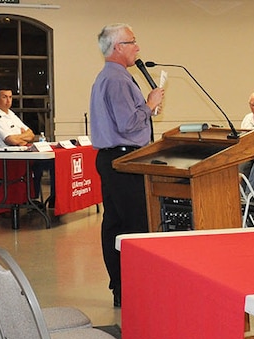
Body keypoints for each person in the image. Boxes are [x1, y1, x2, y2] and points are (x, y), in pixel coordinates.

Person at [89, 23, 165, 307]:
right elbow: (127, 122)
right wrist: (148, 104)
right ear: (117, 47)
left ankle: (121, 287)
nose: (138, 47)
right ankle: (133, 287)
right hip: (123, 159)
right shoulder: (119, 79)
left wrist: (146, 109)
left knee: (115, 224)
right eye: (132, 42)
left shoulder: (107, 76)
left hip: (113, 158)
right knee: (134, 224)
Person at [0, 88, 55, 205]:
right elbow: (11, 140)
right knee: (41, 165)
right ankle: (33, 199)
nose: (8, 100)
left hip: (22, 154)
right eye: (4, 97)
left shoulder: (11, 115)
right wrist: (22, 137)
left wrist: (20, 138)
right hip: (9, 159)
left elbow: (31, 134)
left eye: (10, 97)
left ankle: (52, 199)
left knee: (53, 161)